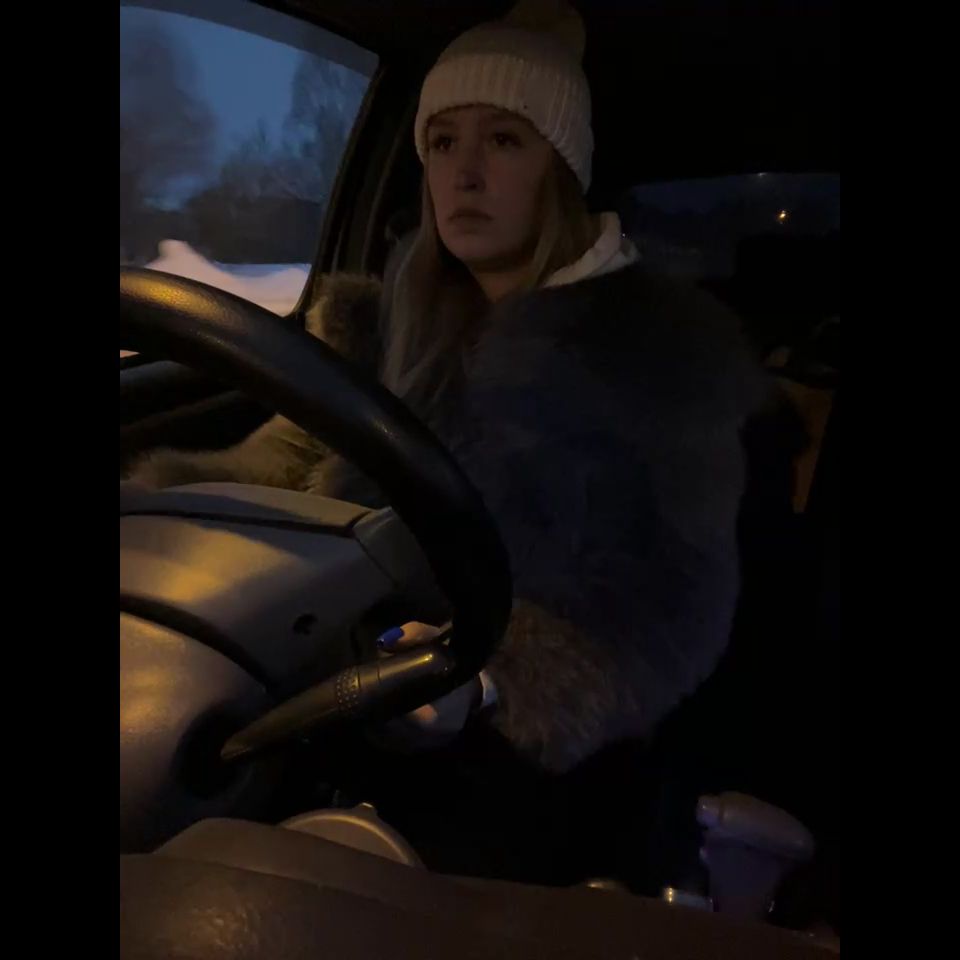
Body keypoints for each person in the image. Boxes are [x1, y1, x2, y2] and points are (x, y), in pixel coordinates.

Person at [126, 0, 769, 777]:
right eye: (442, 142)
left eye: (503, 140)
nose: (464, 174)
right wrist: (162, 505)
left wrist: (495, 679)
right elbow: (299, 458)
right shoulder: (401, 313)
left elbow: (673, 611)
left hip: (520, 751)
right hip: (347, 669)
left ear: (560, 169)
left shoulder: (661, 361)